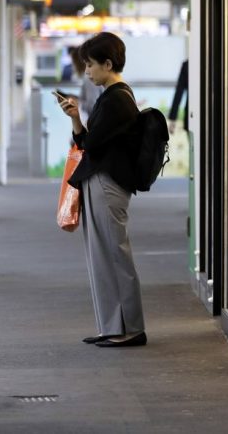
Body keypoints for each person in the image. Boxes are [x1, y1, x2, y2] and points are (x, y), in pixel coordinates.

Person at [56, 32, 146, 347]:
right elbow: (87, 142)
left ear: (108, 64)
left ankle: (130, 327)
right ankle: (112, 325)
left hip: (108, 184)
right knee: (104, 255)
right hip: (103, 181)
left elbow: (91, 144)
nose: (88, 71)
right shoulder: (113, 95)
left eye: (91, 65)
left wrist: (80, 121)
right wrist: (75, 119)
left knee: (114, 254)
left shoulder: (117, 99)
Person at [71, 45, 102, 124]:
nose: (73, 66)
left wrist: (77, 102)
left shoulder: (89, 79)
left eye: (73, 62)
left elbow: (92, 106)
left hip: (96, 123)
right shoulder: (88, 78)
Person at [168, 60, 189, 134]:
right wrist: (173, 118)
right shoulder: (187, 65)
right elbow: (179, 93)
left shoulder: (187, 65)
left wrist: (173, 118)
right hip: (190, 116)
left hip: (191, 115)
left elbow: (179, 93)